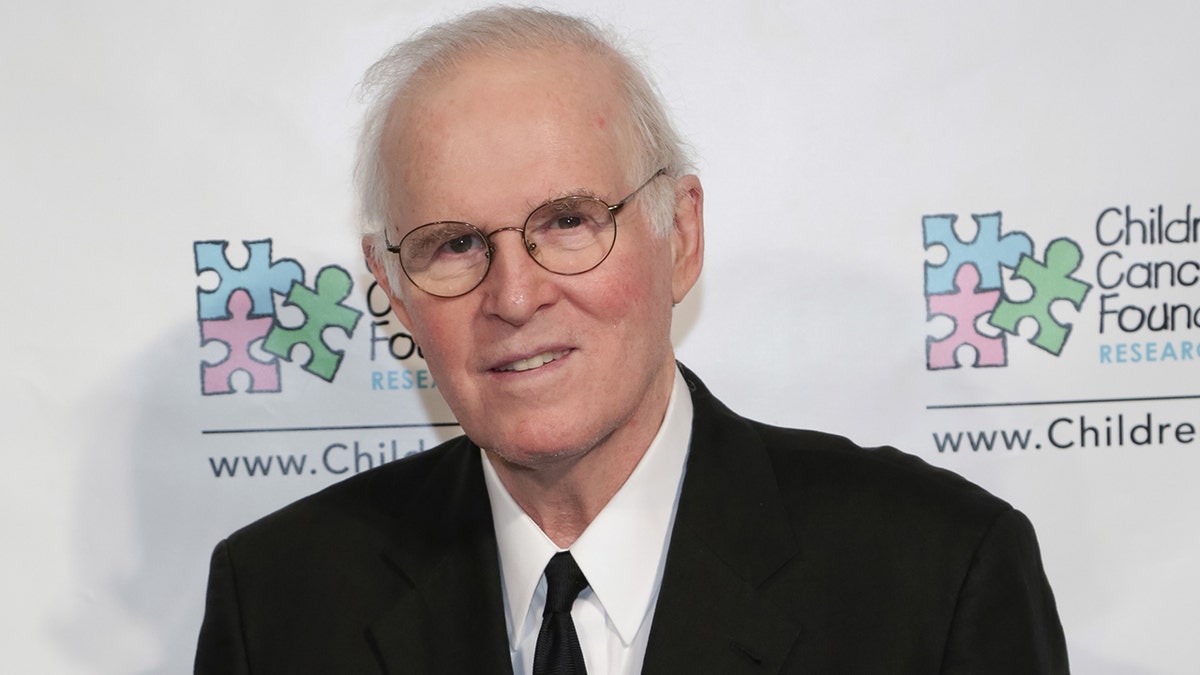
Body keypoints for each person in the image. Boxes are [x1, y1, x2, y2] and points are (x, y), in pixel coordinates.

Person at [195, 6, 1068, 674]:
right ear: (391, 286)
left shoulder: (937, 575)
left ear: (680, 236)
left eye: (569, 221)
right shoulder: (276, 603)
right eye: (455, 244)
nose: (516, 294)